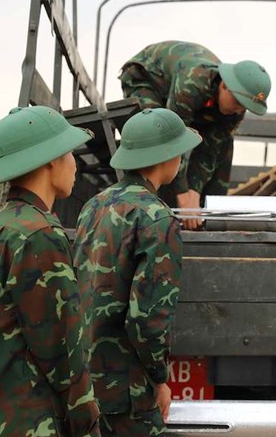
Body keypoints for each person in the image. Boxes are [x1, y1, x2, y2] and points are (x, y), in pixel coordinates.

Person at [0, 106, 99, 436]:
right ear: (51, 158)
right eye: (70, 153)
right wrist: (88, 422)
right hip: (27, 423)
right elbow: (63, 352)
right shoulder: (40, 235)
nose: (75, 165)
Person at [73, 108, 201, 436]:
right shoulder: (157, 219)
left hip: (87, 377)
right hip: (127, 390)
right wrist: (159, 380)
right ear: (167, 157)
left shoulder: (94, 206)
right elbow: (148, 318)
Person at [119, 40, 271, 229]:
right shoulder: (193, 83)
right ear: (224, 85)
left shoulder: (235, 110)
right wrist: (183, 195)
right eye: (237, 101)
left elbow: (210, 150)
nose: (239, 110)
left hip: (187, 98)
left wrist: (194, 193)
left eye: (245, 106)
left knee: (224, 143)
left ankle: (207, 219)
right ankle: (155, 215)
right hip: (146, 78)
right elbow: (172, 140)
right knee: (156, 131)